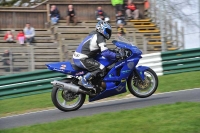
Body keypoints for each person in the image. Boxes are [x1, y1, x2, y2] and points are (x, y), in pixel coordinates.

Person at [73, 21, 122, 90]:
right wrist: (116, 55)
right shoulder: (100, 37)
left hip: (79, 57)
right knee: (101, 68)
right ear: (102, 29)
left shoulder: (94, 34)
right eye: (107, 30)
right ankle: (84, 80)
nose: (108, 33)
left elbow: (101, 50)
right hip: (83, 59)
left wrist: (113, 51)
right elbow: (105, 53)